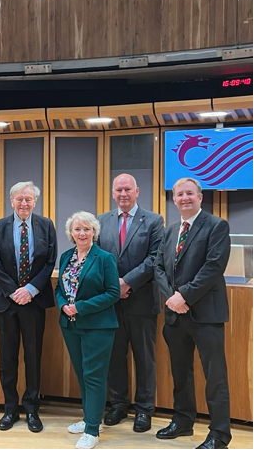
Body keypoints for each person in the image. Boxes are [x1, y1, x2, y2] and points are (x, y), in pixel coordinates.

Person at [154, 178, 231, 449]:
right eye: (179, 194)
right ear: (173, 199)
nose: (184, 198)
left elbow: (213, 267)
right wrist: (172, 299)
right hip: (176, 316)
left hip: (206, 315)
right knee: (181, 373)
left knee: (215, 377)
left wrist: (183, 295)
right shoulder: (170, 230)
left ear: (200, 196)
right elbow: (158, 268)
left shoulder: (216, 225)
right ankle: (183, 421)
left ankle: (220, 435)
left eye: (189, 193)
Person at [97, 174, 163, 432]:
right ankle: (119, 405)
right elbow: (98, 257)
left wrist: (127, 283)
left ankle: (145, 409)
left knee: (144, 358)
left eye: (127, 189)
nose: (123, 194)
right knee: (115, 356)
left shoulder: (154, 220)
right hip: (111, 302)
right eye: (118, 190)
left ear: (137, 191)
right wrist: (115, 285)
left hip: (142, 301)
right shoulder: (102, 221)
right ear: (113, 192)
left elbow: (155, 258)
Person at [0, 181, 56, 433]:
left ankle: (32, 409)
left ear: (35, 201)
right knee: (7, 359)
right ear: (11, 201)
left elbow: (50, 262)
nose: (24, 203)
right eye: (19, 199)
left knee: (32, 356)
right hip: (7, 302)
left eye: (28, 199)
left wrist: (30, 290)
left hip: (34, 301)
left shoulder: (46, 225)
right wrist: (14, 291)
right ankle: (10, 408)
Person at [56, 211, 120, 450]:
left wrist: (79, 307)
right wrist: (63, 305)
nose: (82, 233)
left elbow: (113, 293)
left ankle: (92, 431)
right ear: (71, 233)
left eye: (87, 229)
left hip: (98, 326)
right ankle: (90, 419)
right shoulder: (65, 256)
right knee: (83, 374)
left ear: (94, 231)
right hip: (70, 326)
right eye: (77, 229)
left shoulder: (104, 258)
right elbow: (60, 289)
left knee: (94, 376)